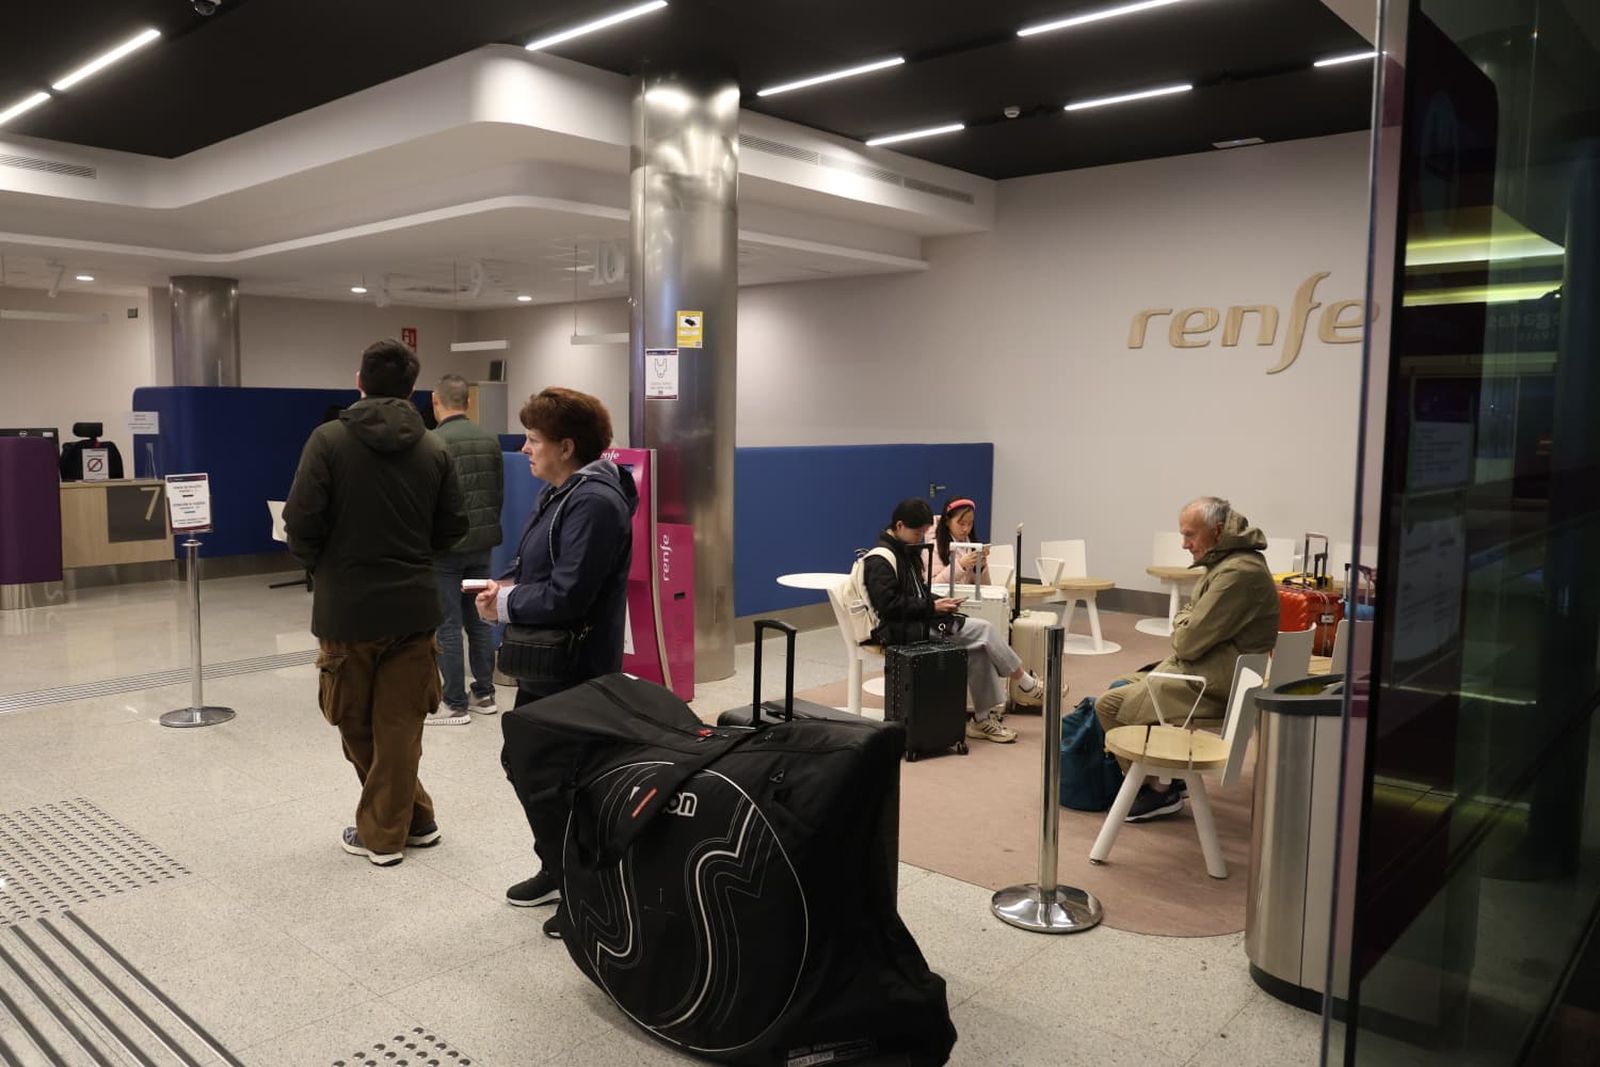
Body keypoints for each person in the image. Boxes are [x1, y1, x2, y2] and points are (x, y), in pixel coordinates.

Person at [284, 339, 467, 867]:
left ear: (358, 381)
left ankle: (382, 835)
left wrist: (323, 566)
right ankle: (418, 818)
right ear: (414, 390)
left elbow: (301, 522)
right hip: (414, 607)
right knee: (401, 723)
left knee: (354, 721)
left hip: (346, 610)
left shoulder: (326, 440)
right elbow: (453, 528)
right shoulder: (434, 449)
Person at [473, 387, 636, 937]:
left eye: (535, 440)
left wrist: (507, 604)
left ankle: (585, 886)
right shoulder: (566, 493)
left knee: (556, 775)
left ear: (567, 446)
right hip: (551, 663)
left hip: (574, 665)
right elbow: (544, 568)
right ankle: (560, 867)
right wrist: (509, 585)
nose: (524, 449)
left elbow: (570, 594)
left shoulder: (591, 501)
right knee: (530, 765)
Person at [1094, 496, 1280, 822]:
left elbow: (1187, 643)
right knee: (1121, 685)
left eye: (1190, 535)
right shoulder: (1234, 564)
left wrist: (1183, 621)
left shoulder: (1235, 574)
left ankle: (1158, 791)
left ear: (1218, 530)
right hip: (1218, 674)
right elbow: (1192, 627)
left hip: (1214, 683)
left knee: (1109, 706)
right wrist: (1188, 620)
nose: (1184, 544)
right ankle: (1166, 779)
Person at [865, 498, 1055, 744]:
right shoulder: (880, 559)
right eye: (917, 533)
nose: (920, 538)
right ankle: (1026, 683)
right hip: (899, 629)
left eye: (924, 533)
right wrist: (933, 605)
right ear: (899, 526)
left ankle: (982, 719)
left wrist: (938, 602)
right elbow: (888, 606)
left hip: (916, 620)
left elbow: (917, 592)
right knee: (984, 630)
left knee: (978, 647)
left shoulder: (904, 551)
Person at [424, 374, 506, 726]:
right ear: (468, 403)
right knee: (479, 619)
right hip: (481, 548)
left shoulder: (432, 442)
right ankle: (484, 693)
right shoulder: (490, 440)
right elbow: (497, 493)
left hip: (445, 551)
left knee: (447, 624)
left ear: (435, 401)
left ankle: (454, 702)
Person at [929, 496, 991, 587]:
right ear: (947, 521)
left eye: (970, 523)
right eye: (961, 523)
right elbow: (932, 585)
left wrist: (980, 568)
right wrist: (960, 565)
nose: (966, 529)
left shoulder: (973, 545)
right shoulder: (934, 547)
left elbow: (986, 587)